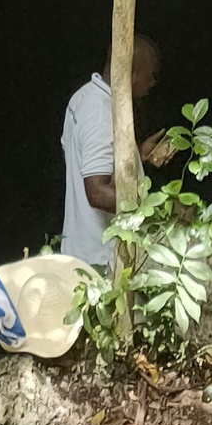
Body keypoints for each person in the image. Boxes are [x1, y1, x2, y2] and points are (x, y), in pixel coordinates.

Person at [59, 34, 176, 267]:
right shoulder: (102, 114)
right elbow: (96, 192)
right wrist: (153, 206)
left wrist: (137, 158)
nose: (153, 83)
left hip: (78, 249)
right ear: (132, 72)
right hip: (101, 260)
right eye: (151, 75)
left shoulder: (83, 97)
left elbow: (81, 158)